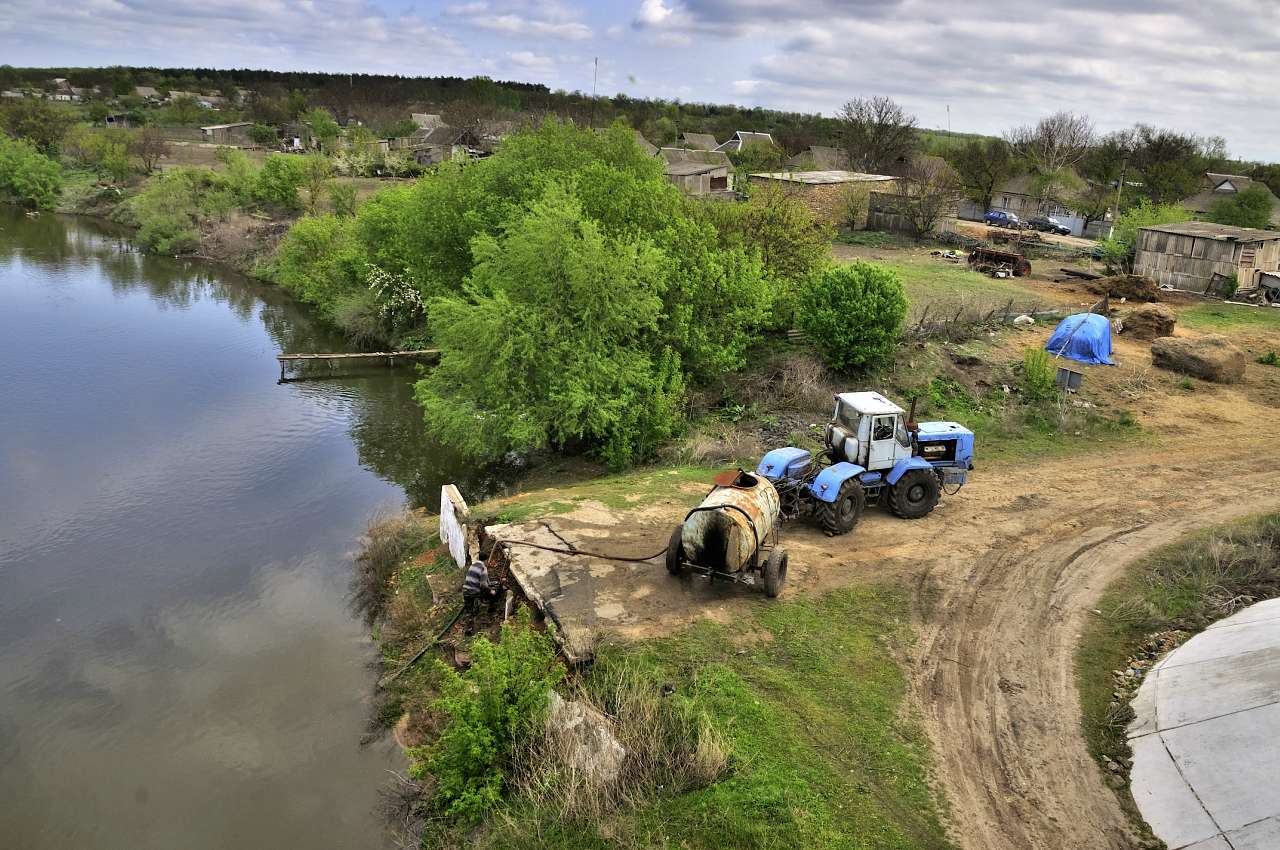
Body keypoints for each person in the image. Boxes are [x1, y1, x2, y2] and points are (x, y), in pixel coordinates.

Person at [462, 558, 501, 634]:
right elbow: (483, 585)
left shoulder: (473, 565)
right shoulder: (483, 568)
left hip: (466, 590)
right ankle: (485, 621)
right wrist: (491, 591)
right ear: (486, 560)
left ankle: (468, 630)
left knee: (468, 610)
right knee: (486, 600)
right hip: (474, 591)